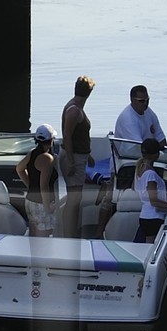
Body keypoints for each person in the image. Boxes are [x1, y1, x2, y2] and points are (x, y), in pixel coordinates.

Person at [59, 75, 94, 236]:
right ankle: (69, 233)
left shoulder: (76, 107)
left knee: (75, 198)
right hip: (74, 158)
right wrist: (72, 162)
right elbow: (67, 136)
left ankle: (70, 231)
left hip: (80, 156)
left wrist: (89, 154)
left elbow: (79, 136)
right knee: (74, 200)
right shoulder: (74, 110)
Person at [16, 125, 59, 234]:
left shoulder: (32, 153)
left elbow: (19, 169)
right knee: (44, 240)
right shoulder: (47, 158)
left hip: (30, 201)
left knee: (33, 235)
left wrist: (30, 186)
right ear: (51, 141)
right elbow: (44, 185)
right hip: (41, 204)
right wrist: (47, 207)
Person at [132, 141, 167, 243]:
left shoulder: (139, 170)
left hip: (144, 216)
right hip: (153, 218)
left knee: (146, 247)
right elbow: (154, 201)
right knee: (150, 247)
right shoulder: (151, 174)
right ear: (156, 154)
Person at [113, 85, 166, 152]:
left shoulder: (149, 112)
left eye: (147, 100)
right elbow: (138, 148)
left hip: (149, 154)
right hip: (127, 157)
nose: (145, 103)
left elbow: (161, 138)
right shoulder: (128, 119)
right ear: (132, 100)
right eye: (141, 101)